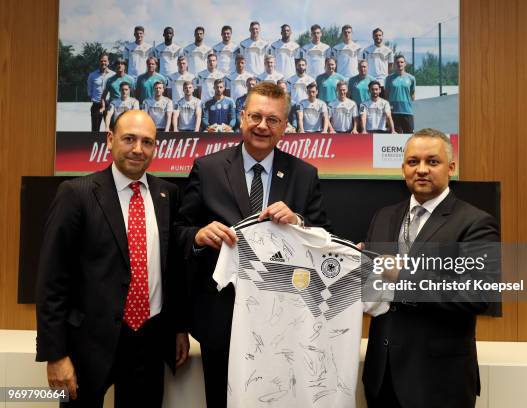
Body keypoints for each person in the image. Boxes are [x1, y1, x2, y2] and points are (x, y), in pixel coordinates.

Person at [175, 81, 331, 408]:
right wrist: (199, 236)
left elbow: (325, 241)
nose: (263, 126)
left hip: (284, 324)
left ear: (285, 126)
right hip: (221, 322)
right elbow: (178, 231)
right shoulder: (209, 168)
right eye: (256, 117)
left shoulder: (304, 174)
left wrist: (299, 223)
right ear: (242, 117)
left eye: (273, 120)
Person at [36, 110, 189, 407]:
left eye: (147, 142)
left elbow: (174, 270)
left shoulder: (168, 194)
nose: (137, 149)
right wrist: (55, 354)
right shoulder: (75, 194)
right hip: (87, 345)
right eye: (129, 139)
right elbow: (51, 280)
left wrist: (179, 327)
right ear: (110, 140)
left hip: (149, 340)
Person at [362, 128, 500, 408]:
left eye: (432, 161)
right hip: (382, 376)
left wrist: (403, 275)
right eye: (413, 162)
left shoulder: (474, 223)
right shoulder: (384, 216)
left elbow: (478, 294)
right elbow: (374, 286)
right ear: (403, 169)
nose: (421, 169)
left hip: (439, 382)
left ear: (451, 167)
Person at [385, 55, 416, 134]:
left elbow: (412, 95)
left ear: (405, 64)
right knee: (395, 136)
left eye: (402, 62)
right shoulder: (389, 78)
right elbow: (387, 96)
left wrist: (412, 110)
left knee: (409, 136)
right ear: (395, 64)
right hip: (394, 112)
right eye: (397, 62)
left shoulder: (411, 78)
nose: (400, 64)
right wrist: (388, 110)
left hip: (407, 112)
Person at [86, 53, 114, 131]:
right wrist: (95, 100)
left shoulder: (113, 75)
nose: (103, 63)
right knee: (95, 131)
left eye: (105, 61)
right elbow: (89, 91)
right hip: (96, 105)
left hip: (109, 105)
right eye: (101, 61)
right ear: (99, 62)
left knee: (110, 130)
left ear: (108, 62)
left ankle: (109, 143)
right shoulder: (92, 75)